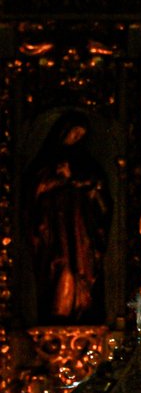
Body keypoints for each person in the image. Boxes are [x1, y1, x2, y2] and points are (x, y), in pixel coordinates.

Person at [27, 111, 113, 323]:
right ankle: (58, 313)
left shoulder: (87, 164)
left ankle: (84, 311)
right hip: (56, 227)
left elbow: (101, 197)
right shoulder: (46, 164)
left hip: (81, 228)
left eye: (80, 136)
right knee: (61, 267)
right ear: (62, 133)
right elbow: (35, 191)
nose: (75, 139)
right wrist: (63, 180)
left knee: (82, 270)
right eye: (73, 134)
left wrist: (85, 185)